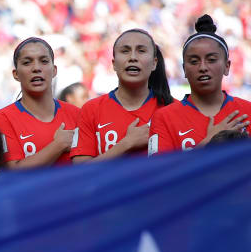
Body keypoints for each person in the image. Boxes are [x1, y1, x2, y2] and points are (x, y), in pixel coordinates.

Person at [149, 15, 251, 154]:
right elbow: (159, 174)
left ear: (227, 66)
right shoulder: (164, 118)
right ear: (184, 69)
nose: (203, 67)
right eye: (194, 61)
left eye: (211, 60)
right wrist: (209, 141)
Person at [72, 29, 176, 163]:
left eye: (141, 51)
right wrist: (126, 144)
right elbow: (80, 173)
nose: (133, 57)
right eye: (125, 51)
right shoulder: (90, 110)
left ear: (154, 63)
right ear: (114, 64)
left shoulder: (174, 109)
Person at [0, 37, 81, 169]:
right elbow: (12, 173)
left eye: (44, 61)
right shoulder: (3, 118)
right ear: (15, 74)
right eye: (27, 62)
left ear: (54, 70)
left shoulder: (77, 114)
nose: (36, 68)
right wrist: (58, 144)